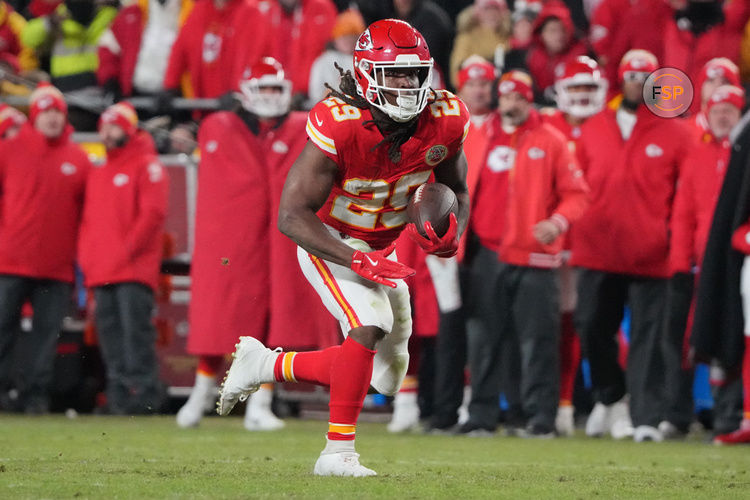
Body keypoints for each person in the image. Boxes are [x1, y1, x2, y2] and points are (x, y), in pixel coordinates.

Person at [217, 19, 470, 476]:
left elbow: (459, 189)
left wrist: (454, 231)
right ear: (366, 73)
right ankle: (337, 454)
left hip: (382, 249)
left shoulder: (446, 118)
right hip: (331, 241)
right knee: (368, 325)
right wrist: (356, 259)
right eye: (394, 74)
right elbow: (292, 215)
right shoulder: (339, 122)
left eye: (413, 74)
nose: (406, 84)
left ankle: (267, 366)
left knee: (386, 377)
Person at [176, 57, 336, 430]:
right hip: (235, 238)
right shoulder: (222, 126)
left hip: (279, 237)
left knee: (276, 318)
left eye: (275, 88)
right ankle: (201, 393)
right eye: (262, 88)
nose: (268, 96)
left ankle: (259, 403)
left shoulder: (299, 128)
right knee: (220, 315)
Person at [570, 49, 690, 442]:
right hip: (596, 250)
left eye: (644, 76)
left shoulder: (675, 131)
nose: (638, 82)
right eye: (632, 75)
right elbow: (576, 188)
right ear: (621, 80)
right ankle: (612, 396)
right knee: (589, 327)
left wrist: (672, 243)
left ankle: (646, 420)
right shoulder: (592, 128)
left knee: (649, 341)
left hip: (650, 254)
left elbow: (684, 197)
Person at [463, 69, 590, 438]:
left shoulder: (551, 140)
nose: (512, 104)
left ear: (529, 99)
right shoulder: (480, 136)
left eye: (519, 97)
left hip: (535, 255)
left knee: (538, 341)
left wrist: (559, 221)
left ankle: (540, 419)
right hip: (487, 252)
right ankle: (482, 416)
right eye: (506, 97)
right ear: (498, 100)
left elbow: (578, 194)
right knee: (484, 339)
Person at [0, 83, 90, 413]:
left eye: (58, 112)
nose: (52, 118)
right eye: (46, 112)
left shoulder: (78, 160)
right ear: (34, 116)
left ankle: (35, 397)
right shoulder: (8, 151)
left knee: (45, 339)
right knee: (2, 332)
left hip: (56, 267)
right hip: (9, 262)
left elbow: (88, 215)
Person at [663, 85, 744, 438]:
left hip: (739, 261)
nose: (723, 115)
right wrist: (680, 263)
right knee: (684, 340)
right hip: (700, 265)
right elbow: (682, 214)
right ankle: (678, 413)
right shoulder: (696, 153)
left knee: (733, 340)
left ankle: (729, 415)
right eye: (717, 109)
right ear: (707, 113)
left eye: (730, 109)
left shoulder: (744, 152)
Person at [78, 102, 169, 414]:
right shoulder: (99, 170)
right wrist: (90, 259)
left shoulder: (146, 164)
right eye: (103, 125)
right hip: (103, 270)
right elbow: (90, 223)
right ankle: (118, 398)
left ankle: (144, 397)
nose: (106, 131)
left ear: (129, 129)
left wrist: (126, 251)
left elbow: (152, 214)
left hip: (132, 270)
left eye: (113, 125)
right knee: (111, 338)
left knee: (136, 336)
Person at [542, 55, 607, 436]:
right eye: (576, 87)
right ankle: (550, 404)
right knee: (546, 328)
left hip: (598, 244)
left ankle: (604, 400)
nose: (582, 95)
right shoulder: (544, 125)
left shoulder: (612, 126)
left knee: (594, 326)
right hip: (549, 241)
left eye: (589, 87)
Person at [97, 0, 194, 100]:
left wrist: (172, 87)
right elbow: (108, 48)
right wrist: (110, 81)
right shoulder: (133, 12)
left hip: (178, 100)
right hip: (134, 95)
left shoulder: (191, 12)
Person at [306, 8, 366, 108]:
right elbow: (315, 95)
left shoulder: (364, 61)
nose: (348, 41)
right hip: (329, 109)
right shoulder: (324, 61)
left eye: (352, 36)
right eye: (343, 36)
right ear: (335, 38)